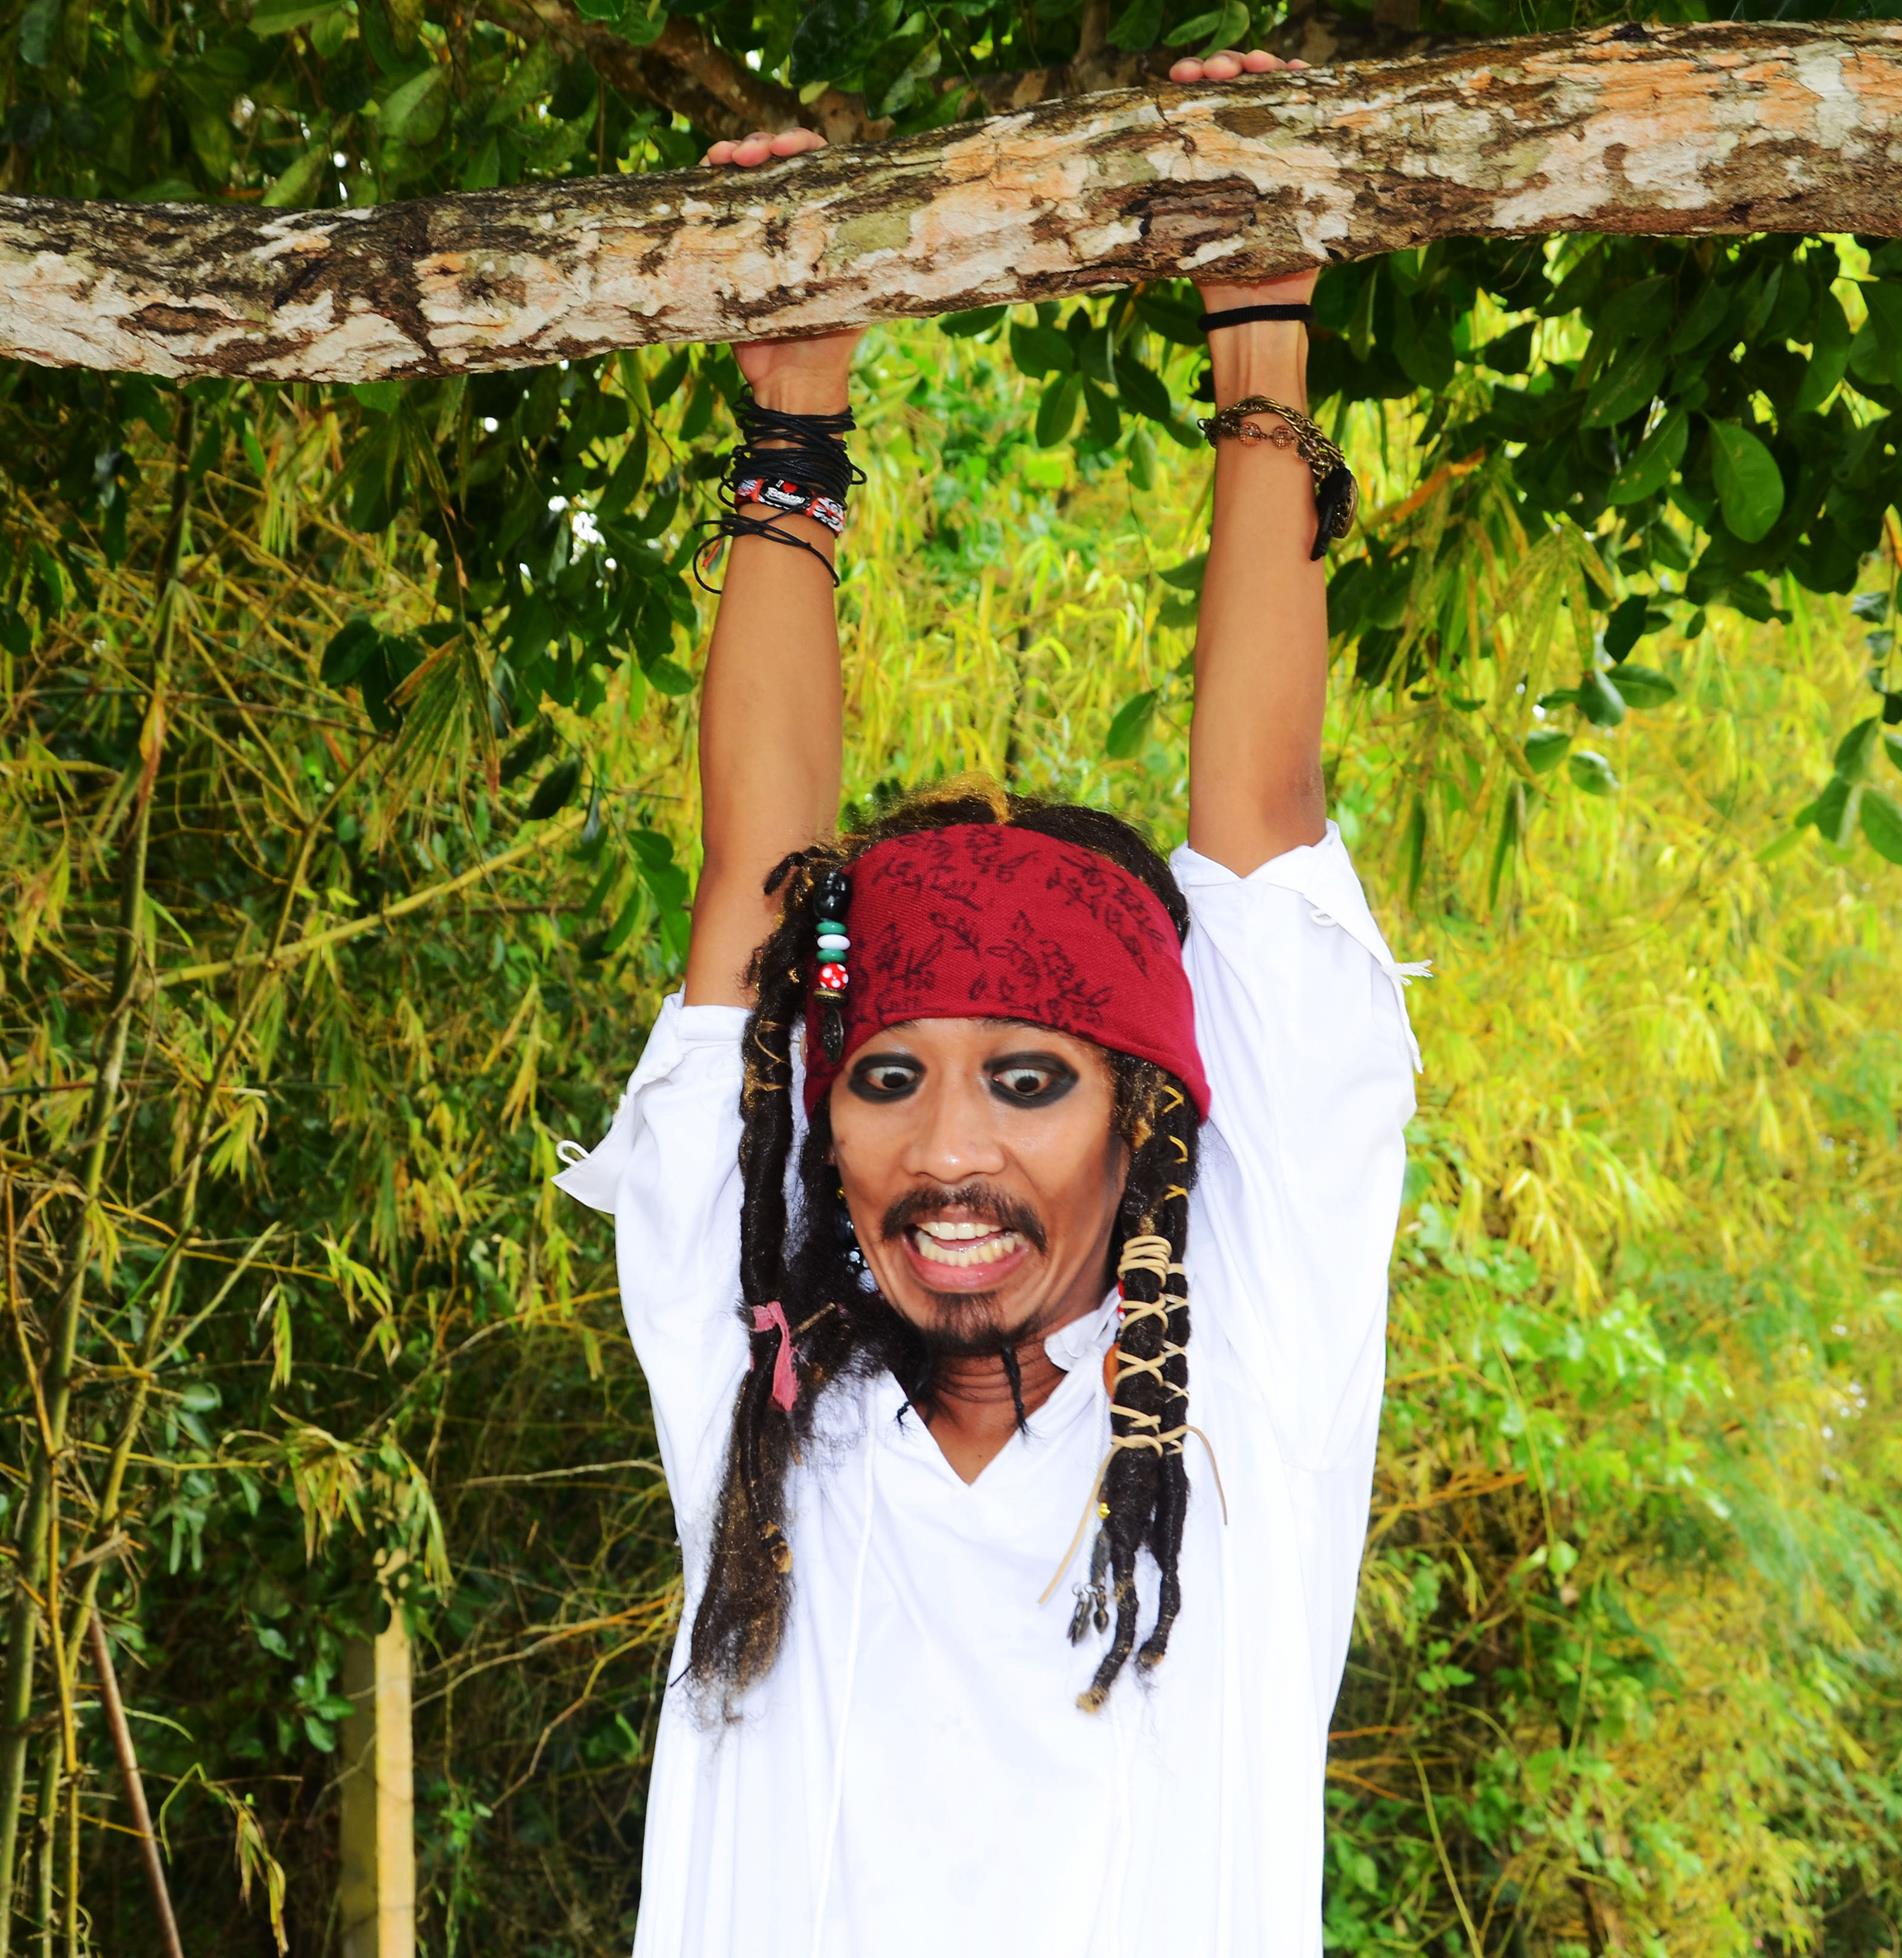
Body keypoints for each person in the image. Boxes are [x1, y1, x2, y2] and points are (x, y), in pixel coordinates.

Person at [552, 48, 1427, 1956]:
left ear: (1145, 1114)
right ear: (821, 1114)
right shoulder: (769, 1405)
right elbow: (757, 876)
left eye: (1030, 1080)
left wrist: (1262, 332)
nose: (948, 1149)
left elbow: (1261, 815)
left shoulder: (1248, 1386)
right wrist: (793, 412)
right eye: (886, 1076)